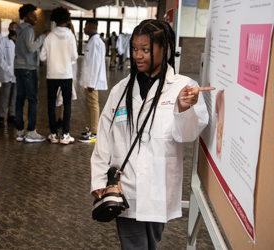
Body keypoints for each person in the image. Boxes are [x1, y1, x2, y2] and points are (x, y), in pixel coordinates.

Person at [90, 19, 215, 249]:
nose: (138, 55)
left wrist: (184, 109)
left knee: (152, 243)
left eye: (145, 50)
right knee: (133, 244)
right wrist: (98, 177)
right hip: (125, 186)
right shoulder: (121, 90)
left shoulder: (183, 86)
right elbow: (105, 136)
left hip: (159, 184)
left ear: (164, 49)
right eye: (135, 48)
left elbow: (186, 135)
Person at [40, 6, 78, 145]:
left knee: (51, 104)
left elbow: (42, 57)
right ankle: (65, 135)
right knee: (67, 104)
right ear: (67, 21)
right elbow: (74, 56)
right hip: (66, 75)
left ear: (54, 20)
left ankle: (54, 134)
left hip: (52, 75)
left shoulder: (49, 36)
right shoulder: (71, 36)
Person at [14, 3, 50, 142]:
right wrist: (43, 36)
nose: (35, 17)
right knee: (33, 99)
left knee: (20, 99)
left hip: (19, 67)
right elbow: (31, 48)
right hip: (28, 68)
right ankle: (31, 131)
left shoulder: (19, 30)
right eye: (31, 15)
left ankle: (19, 131)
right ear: (25, 17)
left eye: (35, 14)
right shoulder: (28, 30)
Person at [78, 18, 107, 142]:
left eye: (85, 26)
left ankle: (94, 132)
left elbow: (95, 64)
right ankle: (92, 129)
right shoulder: (93, 41)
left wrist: (91, 83)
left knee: (94, 105)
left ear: (91, 26)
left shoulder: (96, 42)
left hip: (92, 82)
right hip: (91, 81)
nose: (84, 29)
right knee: (91, 105)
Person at [0, 29, 17, 128]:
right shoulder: (3, 40)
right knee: (6, 95)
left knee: (14, 95)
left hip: (17, 73)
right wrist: (7, 68)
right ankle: (1, 116)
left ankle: (11, 115)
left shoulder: (19, 41)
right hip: (7, 73)